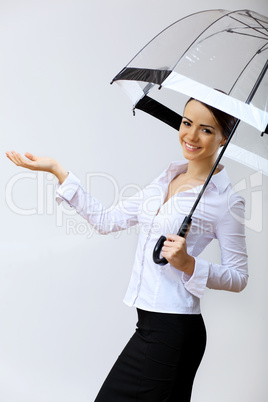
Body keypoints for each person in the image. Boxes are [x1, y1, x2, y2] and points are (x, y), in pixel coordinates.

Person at [6, 98, 248, 401]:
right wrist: (58, 171)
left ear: (224, 137)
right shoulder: (167, 178)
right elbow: (107, 220)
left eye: (206, 130)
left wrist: (190, 264)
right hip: (150, 325)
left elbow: (239, 277)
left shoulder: (225, 200)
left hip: (172, 330)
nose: (191, 136)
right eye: (187, 123)